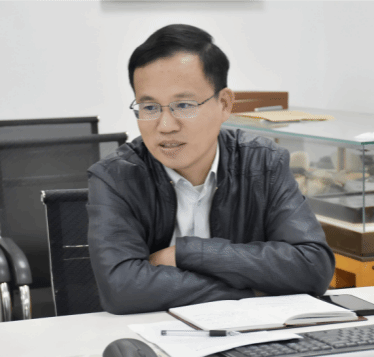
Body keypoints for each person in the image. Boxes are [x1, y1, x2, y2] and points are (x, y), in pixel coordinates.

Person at [87, 24, 335, 314]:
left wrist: (186, 253)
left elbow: (313, 266)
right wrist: (250, 291)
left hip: (254, 333)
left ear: (225, 104)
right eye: (150, 108)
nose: (165, 126)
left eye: (183, 105)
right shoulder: (115, 177)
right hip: (151, 334)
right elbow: (122, 290)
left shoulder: (264, 163)